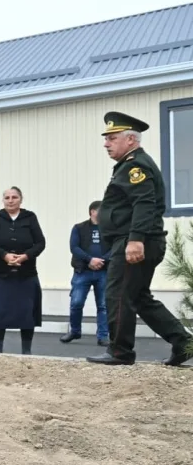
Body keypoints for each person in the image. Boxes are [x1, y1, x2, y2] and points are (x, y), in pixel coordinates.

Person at [86, 112, 193, 366]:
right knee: (139, 298)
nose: (106, 143)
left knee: (119, 295)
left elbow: (145, 203)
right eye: (106, 139)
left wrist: (135, 240)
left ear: (131, 139)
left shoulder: (136, 166)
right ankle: (183, 343)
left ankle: (120, 351)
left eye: (112, 138)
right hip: (137, 241)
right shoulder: (130, 164)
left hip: (135, 242)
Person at [0, 187, 46, 355]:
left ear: (21, 199)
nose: (11, 200)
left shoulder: (30, 217)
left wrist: (25, 256)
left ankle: (26, 352)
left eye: (14, 197)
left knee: (27, 312)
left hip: (26, 273)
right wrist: (4, 255)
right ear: (3, 200)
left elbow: (40, 243)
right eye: (7, 197)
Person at [61, 201, 109, 346]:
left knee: (104, 305)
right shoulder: (79, 228)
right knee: (76, 303)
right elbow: (74, 247)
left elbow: (116, 247)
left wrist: (102, 260)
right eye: (101, 210)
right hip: (82, 271)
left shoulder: (110, 229)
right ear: (92, 212)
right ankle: (75, 331)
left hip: (104, 271)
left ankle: (103, 336)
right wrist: (90, 260)